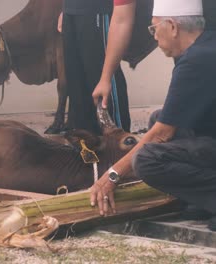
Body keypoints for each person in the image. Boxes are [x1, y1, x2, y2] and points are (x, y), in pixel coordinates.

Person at [89, 0, 216, 231]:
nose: (154, 36)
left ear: (173, 27)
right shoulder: (205, 46)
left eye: (154, 28)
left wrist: (112, 175)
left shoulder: (196, 60)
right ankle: (202, 199)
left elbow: (161, 134)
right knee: (157, 117)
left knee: (147, 159)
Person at [58, 0, 134, 134]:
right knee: (78, 94)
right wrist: (67, 9)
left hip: (98, 10)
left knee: (102, 88)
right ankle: (86, 149)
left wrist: (106, 78)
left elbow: (123, 16)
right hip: (71, 11)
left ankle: (120, 149)